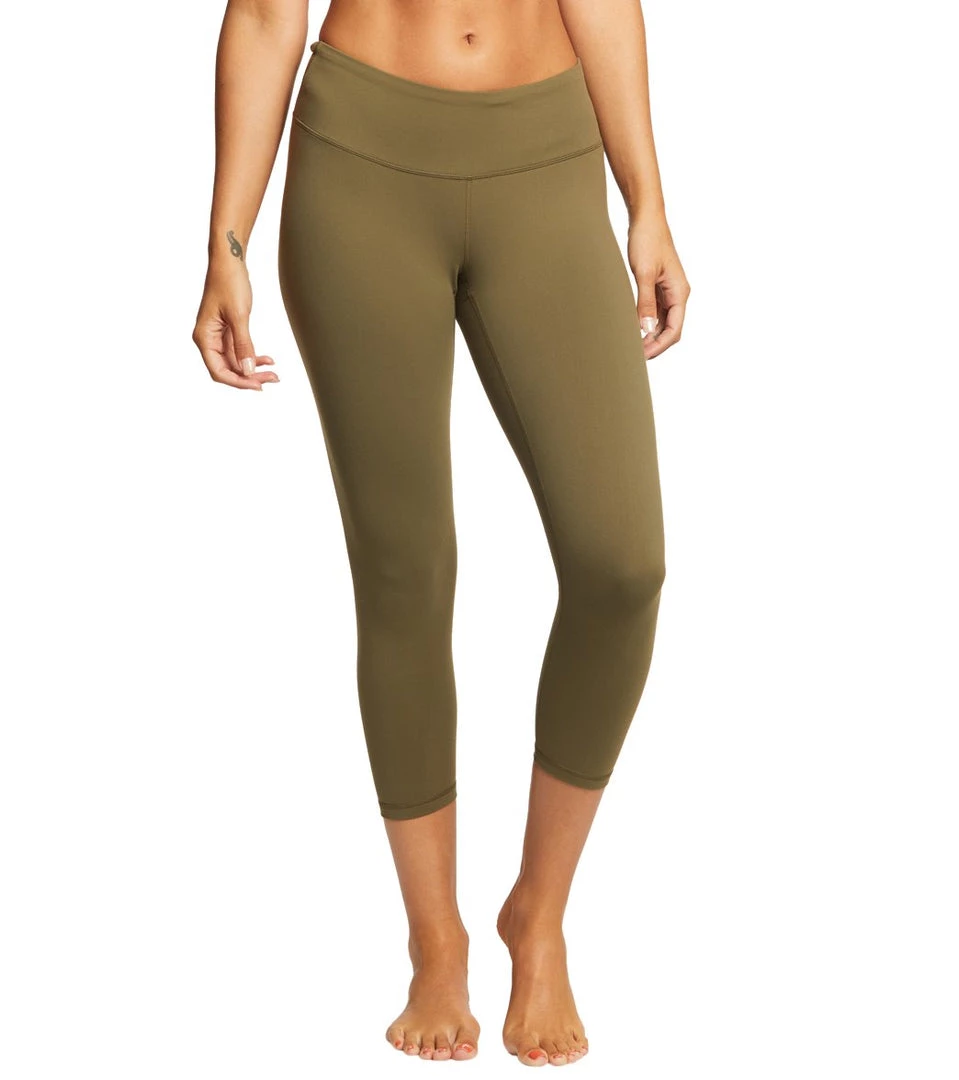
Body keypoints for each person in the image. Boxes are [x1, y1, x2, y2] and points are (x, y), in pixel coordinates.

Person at [193, 0, 690, 1067]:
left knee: (622, 564)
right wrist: (226, 239)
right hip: (361, 163)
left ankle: (537, 915)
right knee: (404, 571)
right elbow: (270, 11)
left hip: (543, 152)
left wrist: (645, 197)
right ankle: (435, 943)